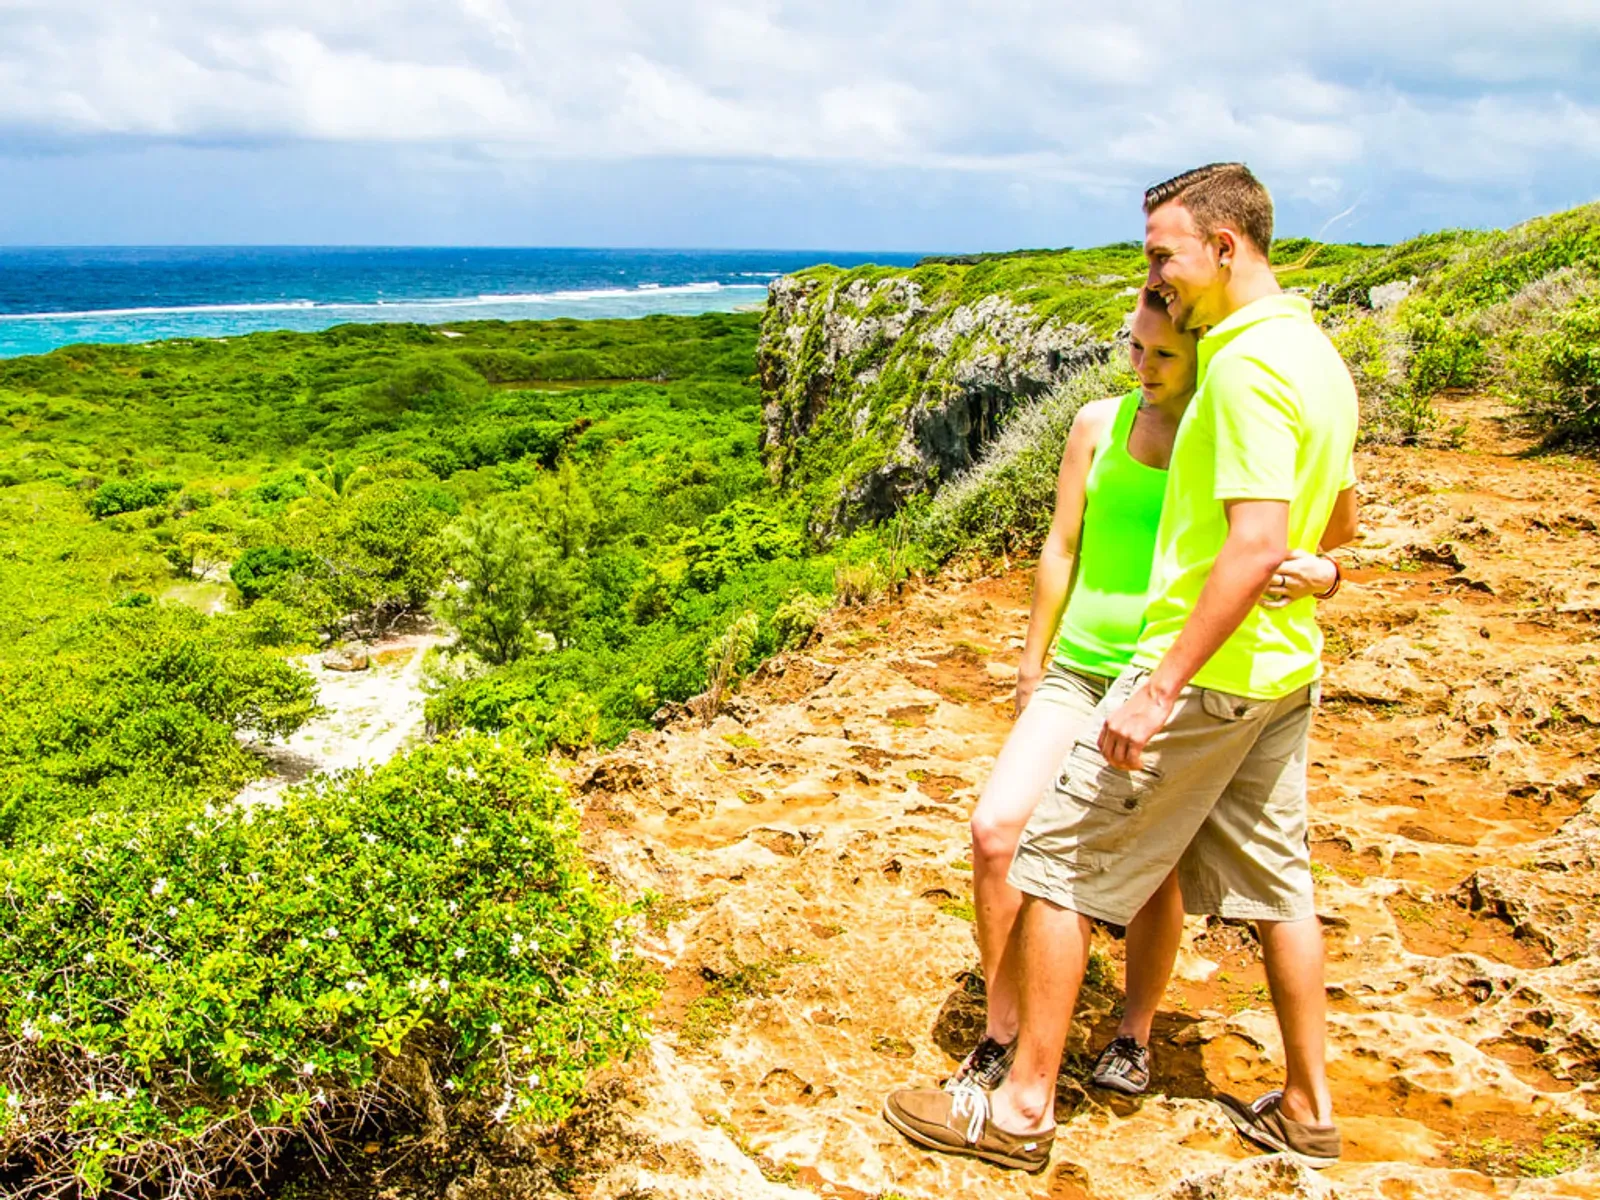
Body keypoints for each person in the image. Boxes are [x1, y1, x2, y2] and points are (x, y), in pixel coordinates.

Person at [885, 162, 1360, 1175]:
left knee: (1057, 867)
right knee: (1279, 889)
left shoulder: (1237, 364)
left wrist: (1156, 686)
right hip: (1282, 671)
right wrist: (1316, 572)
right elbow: (1334, 522)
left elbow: (1249, 543)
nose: (1153, 276)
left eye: (1161, 255)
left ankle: (1017, 1110)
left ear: (1222, 249)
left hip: (1210, 667)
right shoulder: (1316, 354)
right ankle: (1309, 1108)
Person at [949, 290, 1343, 1104]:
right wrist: (1032, 663)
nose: (1143, 367)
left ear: (1202, 356)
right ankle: (1003, 1025)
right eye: (1135, 349)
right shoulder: (1097, 423)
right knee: (996, 832)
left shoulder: (1227, 430)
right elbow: (1062, 544)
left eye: (1163, 355)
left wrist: (1326, 569)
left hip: (1168, 673)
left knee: (1153, 869)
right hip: (1083, 665)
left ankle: (1131, 1034)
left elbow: (1310, 524)